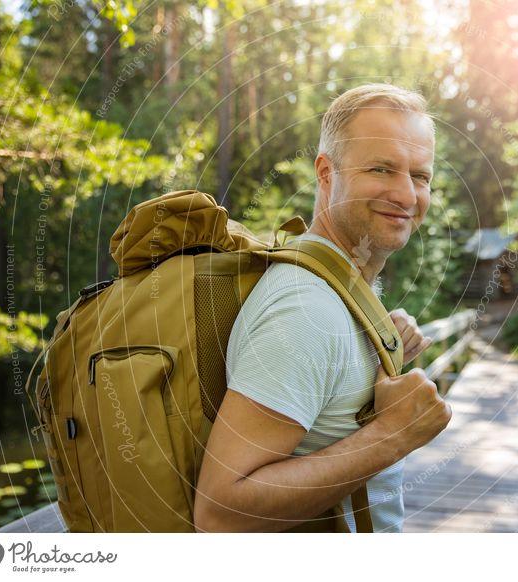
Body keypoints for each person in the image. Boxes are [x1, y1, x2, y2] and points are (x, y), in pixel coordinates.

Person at [194, 84, 452, 533]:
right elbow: (220, 514)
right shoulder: (306, 309)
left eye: (420, 176)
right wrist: (392, 436)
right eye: (381, 168)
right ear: (326, 173)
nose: (407, 195)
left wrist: (382, 349)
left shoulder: (334, 292)